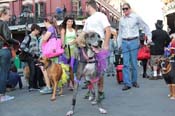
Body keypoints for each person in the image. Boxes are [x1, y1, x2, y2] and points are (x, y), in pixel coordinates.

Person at [117, 3, 152, 91]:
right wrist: (119, 45)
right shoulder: (121, 20)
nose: (125, 10)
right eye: (123, 9)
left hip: (133, 41)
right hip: (124, 42)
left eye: (126, 8)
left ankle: (134, 81)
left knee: (133, 63)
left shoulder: (136, 17)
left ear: (129, 8)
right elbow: (120, 33)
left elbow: (145, 26)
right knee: (125, 64)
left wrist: (149, 38)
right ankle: (127, 83)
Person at [82, 0, 111, 101]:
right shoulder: (88, 19)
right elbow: (83, 34)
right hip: (89, 48)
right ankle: (91, 90)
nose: (85, 9)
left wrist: (106, 44)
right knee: (87, 70)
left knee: (99, 70)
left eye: (86, 7)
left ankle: (101, 91)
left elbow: (108, 29)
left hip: (99, 46)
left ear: (89, 6)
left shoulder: (101, 15)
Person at [0, 7, 19, 102]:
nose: (10, 17)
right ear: (3, 14)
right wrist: (16, 41)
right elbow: (7, 38)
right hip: (4, 51)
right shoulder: (3, 24)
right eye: (8, 15)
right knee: (3, 73)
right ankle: (2, 95)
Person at [20, 24, 45, 91]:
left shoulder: (35, 37)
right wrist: (30, 52)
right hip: (30, 57)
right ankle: (31, 86)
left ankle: (35, 86)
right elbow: (22, 46)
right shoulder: (29, 37)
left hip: (35, 57)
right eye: (38, 30)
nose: (39, 32)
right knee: (32, 71)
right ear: (35, 29)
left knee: (36, 71)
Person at [39, 16, 60, 94]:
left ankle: (49, 87)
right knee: (53, 69)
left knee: (45, 69)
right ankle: (55, 86)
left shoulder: (50, 28)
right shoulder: (53, 28)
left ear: (46, 21)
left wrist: (43, 40)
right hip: (53, 52)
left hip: (48, 52)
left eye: (44, 22)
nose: (44, 24)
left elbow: (44, 39)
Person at [60, 15, 78, 89]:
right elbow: (62, 40)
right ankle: (68, 82)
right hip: (66, 50)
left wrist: (73, 42)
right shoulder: (63, 29)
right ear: (66, 22)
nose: (70, 22)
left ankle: (71, 83)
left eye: (71, 21)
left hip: (74, 50)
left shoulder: (74, 30)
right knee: (67, 67)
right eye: (69, 21)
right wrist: (63, 46)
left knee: (72, 66)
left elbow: (77, 39)